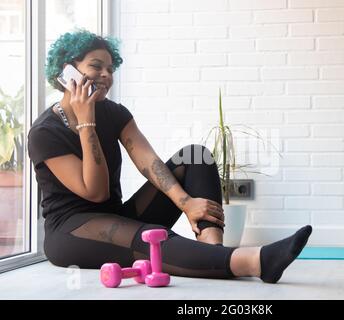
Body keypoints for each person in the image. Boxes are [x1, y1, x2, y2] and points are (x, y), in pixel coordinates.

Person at [27, 29, 313, 284]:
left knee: (195, 157)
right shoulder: (45, 132)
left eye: (110, 69)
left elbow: (148, 162)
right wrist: (86, 121)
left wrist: (186, 203)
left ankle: (213, 253)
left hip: (115, 216)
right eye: (96, 66)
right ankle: (255, 262)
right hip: (71, 232)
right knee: (150, 236)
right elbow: (96, 192)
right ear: (67, 73)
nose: (106, 75)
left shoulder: (114, 113)